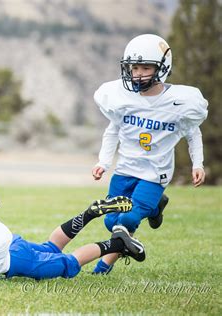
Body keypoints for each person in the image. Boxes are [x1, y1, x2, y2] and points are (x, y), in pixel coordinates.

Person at [91, 34, 208, 274]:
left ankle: (103, 268)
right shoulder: (121, 98)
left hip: (155, 173)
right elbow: (112, 131)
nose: (139, 74)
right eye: (135, 68)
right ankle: (155, 208)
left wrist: (198, 164)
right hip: (125, 170)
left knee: (128, 220)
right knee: (110, 221)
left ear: (162, 68)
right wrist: (103, 161)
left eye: (146, 67)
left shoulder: (180, 102)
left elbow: (193, 133)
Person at [0, 175, 144, 282]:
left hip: (15, 259)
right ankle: (89, 214)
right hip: (14, 246)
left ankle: (116, 244)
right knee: (50, 247)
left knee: (67, 264)